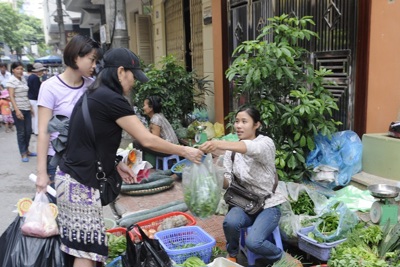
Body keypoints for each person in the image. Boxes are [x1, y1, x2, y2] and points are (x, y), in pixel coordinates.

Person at [36, 47, 204, 267]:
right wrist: (186, 151)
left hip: (72, 180)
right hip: (80, 184)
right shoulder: (112, 99)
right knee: (87, 252)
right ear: (121, 72)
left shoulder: (95, 93)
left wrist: (115, 164)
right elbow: (147, 140)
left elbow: (91, 139)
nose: (134, 82)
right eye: (133, 76)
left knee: (87, 249)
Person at [199, 105, 299, 265]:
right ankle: (232, 254)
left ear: (256, 124)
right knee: (230, 222)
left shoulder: (265, 143)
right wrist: (213, 173)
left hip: (268, 205)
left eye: (244, 121)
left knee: (254, 242)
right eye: (237, 121)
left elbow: (251, 148)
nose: (238, 125)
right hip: (244, 203)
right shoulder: (231, 153)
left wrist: (218, 143)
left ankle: (280, 257)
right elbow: (228, 182)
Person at [36, 35, 100, 187]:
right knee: (56, 208)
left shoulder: (92, 86)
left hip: (85, 161)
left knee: (82, 209)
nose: (94, 65)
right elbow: (44, 132)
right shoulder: (49, 87)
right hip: (58, 161)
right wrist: (42, 173)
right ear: (77, 57)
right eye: (92, 59)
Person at [6, 61, 35, 162]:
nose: (20, 71)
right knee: (21, 132)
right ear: (13, 70)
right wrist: (17, 111)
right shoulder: (11, 81)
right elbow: (11, 97)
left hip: (26, 107)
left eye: (21, 69)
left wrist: (30, 107)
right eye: (18, 69)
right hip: (18, 109)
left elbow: (26, 94)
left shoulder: (23, 79)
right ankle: (23, 153)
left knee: (28, 131)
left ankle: (27, 150)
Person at [28, 63, 47, 135]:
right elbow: (37, 90)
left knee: (33, 116)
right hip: (35, 99)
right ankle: (36, 130)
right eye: (41, 71)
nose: (42, 72)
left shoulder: (30, 77)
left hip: (31, 99)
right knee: (36, 116)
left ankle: (33, 129)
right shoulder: (35, 78)